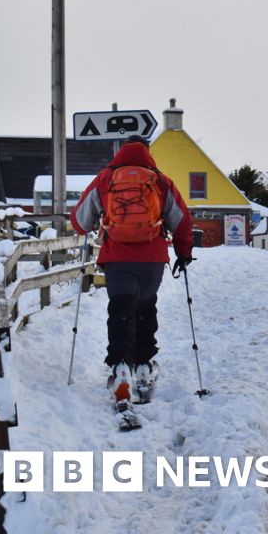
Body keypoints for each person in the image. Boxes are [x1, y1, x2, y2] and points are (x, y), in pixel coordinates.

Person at [70, 136, 194, 406]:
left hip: (117, 259)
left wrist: (95, 223)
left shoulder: (105, 178)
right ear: (148, 154)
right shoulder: (161, 181)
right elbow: (182, 221)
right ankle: (143, 366)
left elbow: (79, 221)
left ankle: (120, 368)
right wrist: (184, 253)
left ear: (121, 151)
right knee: (145, 308)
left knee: (120, 309)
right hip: (151, 259)